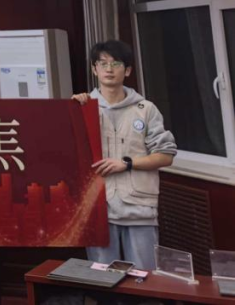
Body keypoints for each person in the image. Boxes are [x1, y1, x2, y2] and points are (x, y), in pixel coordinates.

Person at [72, 40, 176, 270]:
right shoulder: (83, 108)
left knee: (144, 278)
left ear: (127, 70)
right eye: (103, 63)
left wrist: (127, 163)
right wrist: (71, 111)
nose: (109, 69)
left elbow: (166, 155)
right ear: (94, 69)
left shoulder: (146, 109)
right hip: (98, 209)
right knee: (103, 279)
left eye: (116, 63)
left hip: (139, 208)